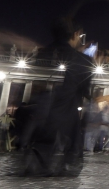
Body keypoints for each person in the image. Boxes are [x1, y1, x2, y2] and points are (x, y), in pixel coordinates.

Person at [22, 17, 92, 176]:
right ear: (76, 34)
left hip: (35, 123)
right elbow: (85, 91)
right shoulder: (82, 60)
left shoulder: (39, 54)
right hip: (65, 125)